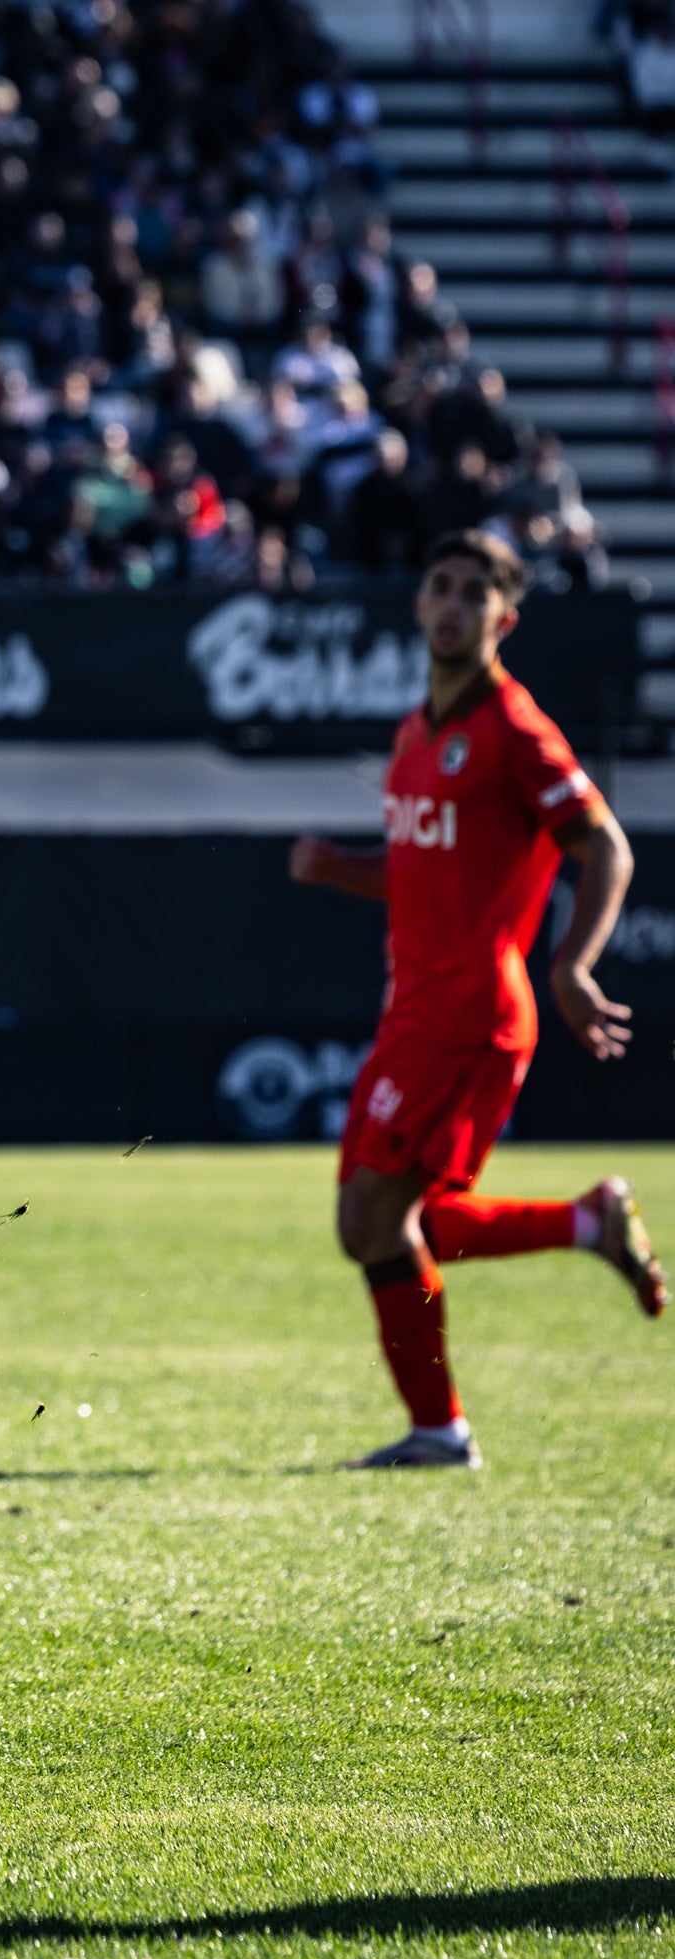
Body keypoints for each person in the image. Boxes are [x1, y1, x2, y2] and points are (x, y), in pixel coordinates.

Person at [287, 529, 663, 1471]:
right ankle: (590, 1223)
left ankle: (440, 1431)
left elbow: (606, 846)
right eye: (440, 586)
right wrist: (342, 871)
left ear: (505, 618)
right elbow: (425, 871)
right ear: (419, 603)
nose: (452, 605)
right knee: (382, 1224)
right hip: (413, 1008)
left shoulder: (513, 730)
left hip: (470, 1013)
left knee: (379, 1221)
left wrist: (572, 964)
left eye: (473, 594)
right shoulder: (419, 731)